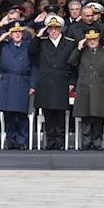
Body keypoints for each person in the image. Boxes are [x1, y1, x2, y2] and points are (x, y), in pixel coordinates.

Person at [30, 15, 76, 150]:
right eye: (50, 28)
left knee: (60, 114)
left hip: (61, 82)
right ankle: (50, 141)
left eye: (56, 28)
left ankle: (60, 142)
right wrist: (39, 35)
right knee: (48, 114)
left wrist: (72, 81)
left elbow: (73, 64)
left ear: (61, 29)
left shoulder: (69, 42)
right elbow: (31, 50)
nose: (53, 31)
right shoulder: (42, 42)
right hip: (46, 83)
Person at [0, 21, 37, 150]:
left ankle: (22, 140)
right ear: (9, 34)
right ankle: (10, 139)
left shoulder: (28, 46)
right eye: (14, 32)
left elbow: (34, 66)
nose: (17, 34)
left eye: (19, 31)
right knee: (8, 114)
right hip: (7, 82)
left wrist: (33, 84)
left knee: (22, 114)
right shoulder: (4, 45)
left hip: (23, 81)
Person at [68, 28, 104, 151]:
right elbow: (71, 62)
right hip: (84, 87)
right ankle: (86, 142)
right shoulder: (81, 51)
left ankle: (97, 142)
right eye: (90, 40)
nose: (92, 42)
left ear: (99, 39)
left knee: (98, 117)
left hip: (100, 88)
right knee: (85, 116)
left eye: (95, 39)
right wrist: (79, 47)